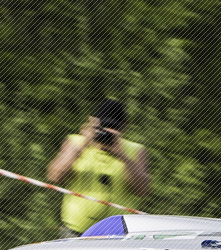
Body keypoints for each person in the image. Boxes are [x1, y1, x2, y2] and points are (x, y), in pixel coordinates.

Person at [45, 99, 151, 236]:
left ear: (124, 129)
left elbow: (142, 190)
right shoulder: (76, 142)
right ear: (94, 123)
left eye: (114, 127)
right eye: (104, 125)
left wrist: (122, 155)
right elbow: (55, 176)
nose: (108, 131)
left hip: (117, 236)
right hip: (75, 233)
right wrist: (84, 144)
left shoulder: (135, 151)